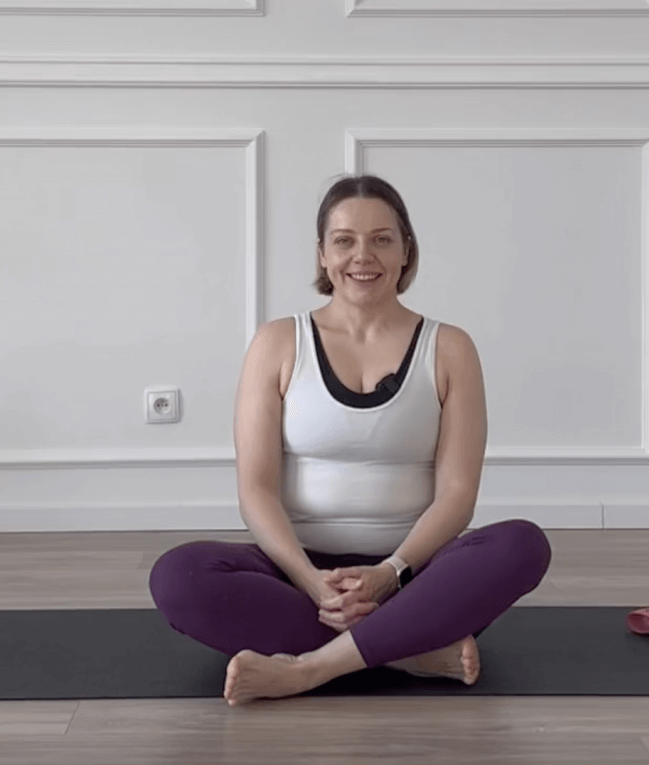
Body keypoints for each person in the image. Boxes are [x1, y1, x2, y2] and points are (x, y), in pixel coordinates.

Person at [149, 174, 552, 706]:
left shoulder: (450, 347)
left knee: (522, 545)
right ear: (322, 254)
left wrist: (390, 573)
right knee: (177, 577)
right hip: (298, 576)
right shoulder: (277, 342)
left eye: (382, 239)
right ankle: (409, 652)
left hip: (414, 576)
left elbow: (458, 495)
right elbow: (256, 490)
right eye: (344, 240)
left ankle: (310, 668)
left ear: (406, 250)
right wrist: (310, 581)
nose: (363, 256)